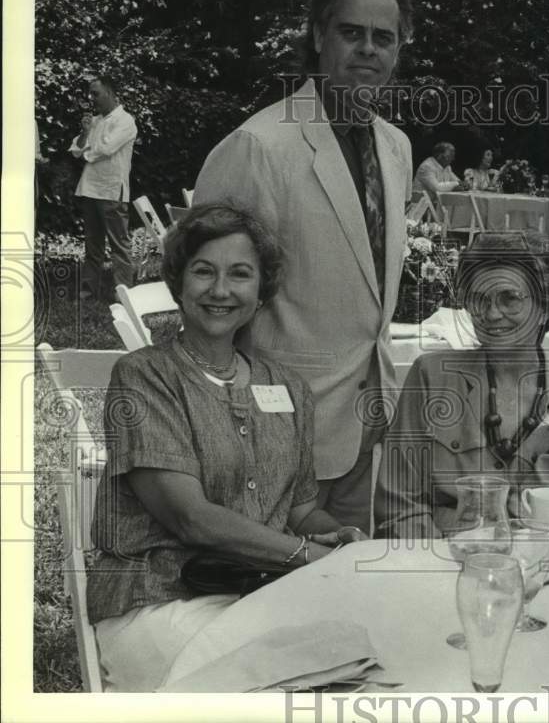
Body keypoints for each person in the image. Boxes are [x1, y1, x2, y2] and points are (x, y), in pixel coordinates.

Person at [86, 204, 366, 692]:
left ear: (261, 292)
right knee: (298, 679)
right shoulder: (143, 376)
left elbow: (301, 511)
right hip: (159, 600)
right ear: (178, 283)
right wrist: (306, 556)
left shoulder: (289, 388)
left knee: (368, 654)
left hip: (260, 594)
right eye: (203, 271)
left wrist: (335, 537)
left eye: (240, 274)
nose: (220, 290)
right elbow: (190, 518)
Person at [194, 0, 414, 531]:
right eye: (351, 32)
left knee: (350, 580)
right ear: (319, 36)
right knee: (278, 587)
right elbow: (210, 304)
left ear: (398, 49)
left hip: (369, 425)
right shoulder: (259, 146)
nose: (368, 49)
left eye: (384, 38)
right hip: (277, 434)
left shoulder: (396, 147)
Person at [375, 231, 549, 538]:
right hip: (428, 555)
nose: (491, 314)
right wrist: (438, 554)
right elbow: (398, 506)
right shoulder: (430, 378)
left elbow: (542, 520)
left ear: (544, 308)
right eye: (479, 300)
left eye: (510, 299)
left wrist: (450, 520)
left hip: (532, 559)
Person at [69, 76, 138, 300]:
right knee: (93, 244)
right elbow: (76, 150)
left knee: (119, 245)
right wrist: (85, 133)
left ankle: (124, 294)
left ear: (110, 92)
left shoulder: (125, 121)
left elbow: (106, 149)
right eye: (90, 94)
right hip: (90, 188)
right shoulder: (95, 121)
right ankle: (89, 290)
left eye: (95, 94)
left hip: (111, 190)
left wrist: (87, 152)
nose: (91, 98)